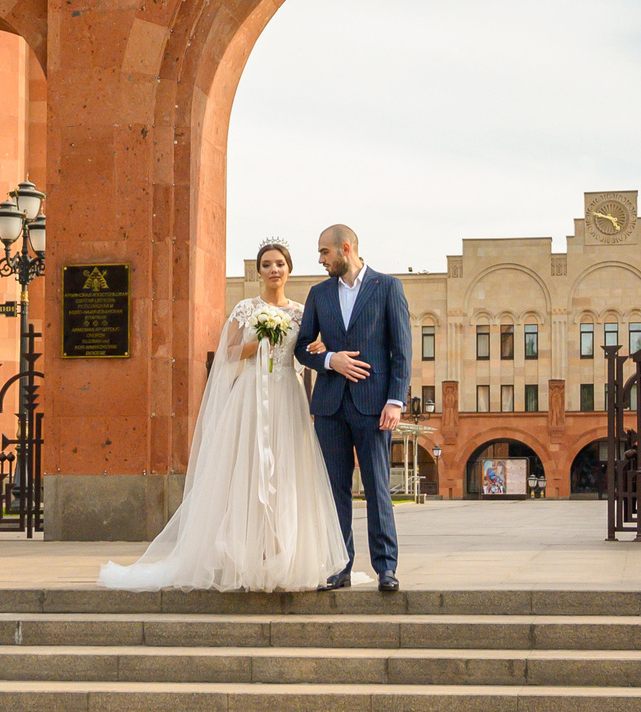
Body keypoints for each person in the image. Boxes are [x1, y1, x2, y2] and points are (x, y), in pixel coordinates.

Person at [98, 239, 342, 591]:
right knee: (248, 470)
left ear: (289, 269)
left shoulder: (302, 313)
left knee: (287, 472)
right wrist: (257, 345)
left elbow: (306, 350)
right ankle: (244, 556)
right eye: (267, 265)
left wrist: (319, 346)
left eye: (279, 264)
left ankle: (283, 553)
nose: (274, 270)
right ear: (259, 272)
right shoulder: (245, 308)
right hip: (251, 397)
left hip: (287, 396)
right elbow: (227, 353)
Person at [296, 222, 411, 591]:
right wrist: (331, 360)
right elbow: (302, 347)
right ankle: (339, 566)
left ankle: (386, 568)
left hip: (374, 406)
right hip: (330, 407)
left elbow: (401, 350)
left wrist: (395, 400)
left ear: (345, 248)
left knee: (378, 488)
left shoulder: (388, 287)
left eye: (324, 252)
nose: (320, 259)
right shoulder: (318, 294)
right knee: (335, 490)